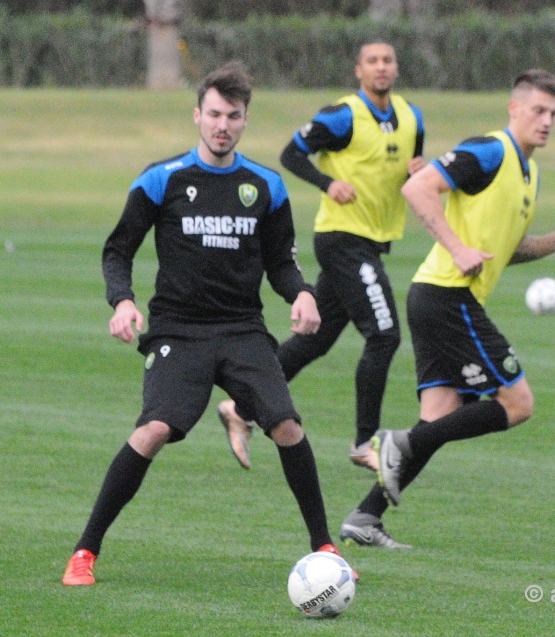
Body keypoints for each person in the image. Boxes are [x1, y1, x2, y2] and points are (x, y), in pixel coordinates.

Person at [62, 62, 347, 586]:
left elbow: (281, 262)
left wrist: (303, 292)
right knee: (152, 431)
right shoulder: (162, 179)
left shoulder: (266, 186)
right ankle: (84, 552)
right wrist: (121, 301)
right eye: (214, 113)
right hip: (177, 330)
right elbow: (118, 249)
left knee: (287, 426)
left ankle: (326, 548)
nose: (222, 124)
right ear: (198, 115)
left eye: (233, 116)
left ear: (244, 121)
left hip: (242, 329)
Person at [339, 69, 555, 549]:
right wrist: (456, 248)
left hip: (441, 297)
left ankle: (365, 517)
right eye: (538, 110)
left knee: (439, 417)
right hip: (445, 296)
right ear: (514, 108)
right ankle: (398, 444)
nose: (546, 121)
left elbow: (506, 249)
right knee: (518, 404)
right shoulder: (489, 150)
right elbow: (418, 189)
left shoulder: (529, 172)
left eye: (553, 114)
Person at [217, 41, 426, 478]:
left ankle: (240, 408)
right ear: (358, 70)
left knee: (315, 341)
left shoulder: (411, 117)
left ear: (396, 67)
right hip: (342, 238)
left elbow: (411, 167)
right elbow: (291, 154)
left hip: (371, 240)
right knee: (384, 335)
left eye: (388, 59)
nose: (381, 67)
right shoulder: (343, 115)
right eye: (372, 61)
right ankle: (364, 442)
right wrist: (328, 183)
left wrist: (419, 172)